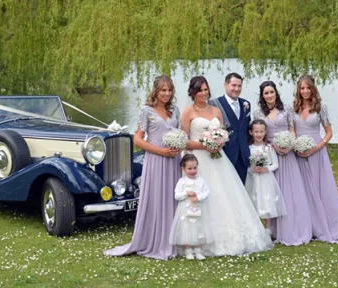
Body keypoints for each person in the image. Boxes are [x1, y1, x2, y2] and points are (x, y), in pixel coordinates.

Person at [181, 76, 273, 256]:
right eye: (200, 90)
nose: (204, 93)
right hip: (198, 159)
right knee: (203, 195)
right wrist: (205, 145)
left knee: (225, 194)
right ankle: (199, 239)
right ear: (193, 92)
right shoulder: (187, 113)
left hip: (218, 158)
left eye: (206, 89)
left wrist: (219, 143)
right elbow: (185, 141)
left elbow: (223, 134)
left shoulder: (216, 110)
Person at [104, 75, 181, 260]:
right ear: (156, 91)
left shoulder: (175, 110)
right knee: (156, 197)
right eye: (163, 90)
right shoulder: (147, 111)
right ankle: (153, 240)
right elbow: (138, 139)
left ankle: (174, 239)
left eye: (169, 90)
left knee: (173, 198)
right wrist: (160, 151)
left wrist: (179, 145)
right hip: (156, 160)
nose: (167, 94)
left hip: (174, 161)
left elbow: (180, 132)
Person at [292, 75, 338, 244]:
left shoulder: (320, 107)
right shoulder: (294, 108)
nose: (305, 91)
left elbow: (329, 133)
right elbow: (292, 130)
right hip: (298, 153)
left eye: (308, 88)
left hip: (317, 154)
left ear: (313, 88)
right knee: (301, 190)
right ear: (298, 90)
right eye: (302, 88)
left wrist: (317, 148)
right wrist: (295, 145)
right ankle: (306, 226)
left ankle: (325, 226)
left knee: (320, 188)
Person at [252, 80, 312, 246]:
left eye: (272, 92)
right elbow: (259, 134)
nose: (269, 95)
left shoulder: (287, 110)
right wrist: (272, 146)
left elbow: (293, 131)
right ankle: (271, 230)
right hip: (269, 154)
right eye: (266, 93)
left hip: (287, 155)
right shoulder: (258, 113)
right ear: (262, 96)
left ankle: (293, 227)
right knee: (270, 193)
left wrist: (289, 145)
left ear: (276, 93)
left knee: (290, 192)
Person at [245, 120, 287, 237]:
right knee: (254, 201)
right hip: (253, 179)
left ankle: (268, 231)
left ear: (265, 132)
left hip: (266, 180)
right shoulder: (248, 148)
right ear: (251, 132)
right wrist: (251, 170)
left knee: (267, 203)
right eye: (256, 131)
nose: (259, 134)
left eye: (261, 131)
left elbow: (275, 164)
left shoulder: (268, 148)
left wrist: (266, 169)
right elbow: (246, 165)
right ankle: (255, 229)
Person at [209, 73, 251, 184]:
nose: (237, 89)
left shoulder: (246, 104)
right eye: (233, 85)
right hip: (225, 154)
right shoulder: (214, 104)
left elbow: (247, 129)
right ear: (225, 85)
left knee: (243, 189)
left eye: (239, 86)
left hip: (243, 156)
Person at [169, 154, 212, 260]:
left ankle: (198, 251)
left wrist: (199, 197)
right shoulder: (182, 181)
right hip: (185, 210)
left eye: (195, 168)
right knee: (187, 229)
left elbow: (207, 192)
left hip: (198, 209)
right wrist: (186, 193)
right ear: (183, 169)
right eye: (189, 168)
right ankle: (188, 251)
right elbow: (176, 195)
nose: (193, 171)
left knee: (198, 229)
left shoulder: (201, 180)